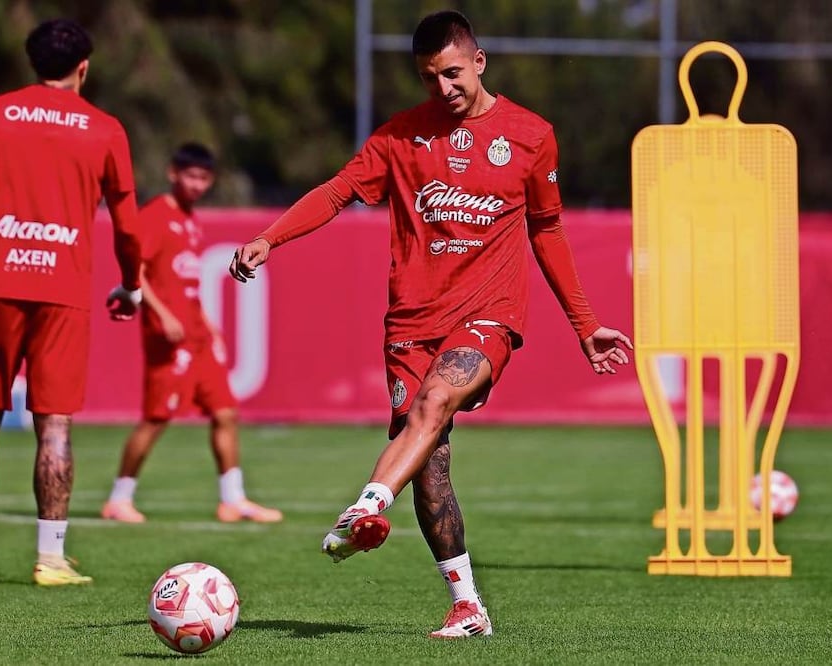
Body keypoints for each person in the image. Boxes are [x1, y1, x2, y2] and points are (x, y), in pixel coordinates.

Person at [230, 10, 632, 638]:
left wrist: (586, 325)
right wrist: (268, 238)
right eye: (428, 78)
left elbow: (546, 228)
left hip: (487, 315)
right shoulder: (399, 138)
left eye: (451, 73)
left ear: (479, 61)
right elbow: (338, 191)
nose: (442, 88)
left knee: (435, 400)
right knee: (430, 462)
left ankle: (364, 507)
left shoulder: (530, 135)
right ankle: (468, 605)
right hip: (410, 325)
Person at [0, 18, 143, 587]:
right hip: (63, 289)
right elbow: (127, 227)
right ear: (84, 67)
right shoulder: (104, 129)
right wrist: (132, 283)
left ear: (33, 63)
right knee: (54, 425)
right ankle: (50, 559)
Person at [101, 143, 282, 525]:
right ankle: (119, 498)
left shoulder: (191, 220)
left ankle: (232, 499)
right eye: (190, 176)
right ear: (173, 173)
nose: (197, 184)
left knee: (225, 413)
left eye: (203, 178)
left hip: (198, 337)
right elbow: (137, 273)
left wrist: (209, 324)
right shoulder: (154, 217)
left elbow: (187, 280)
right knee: (156, 418)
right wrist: (162, 314)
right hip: (167, 339)